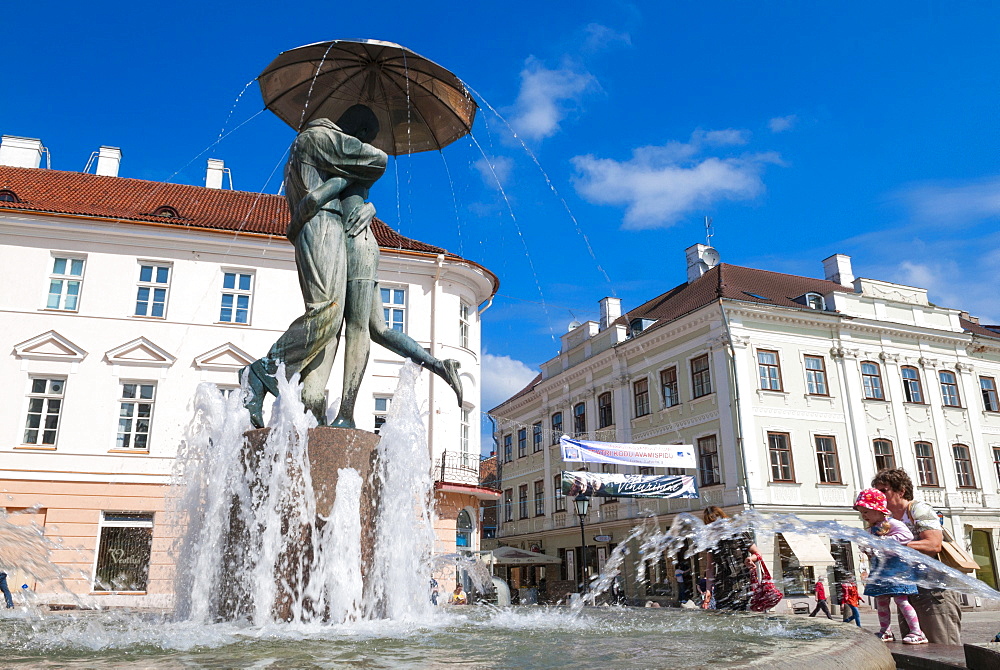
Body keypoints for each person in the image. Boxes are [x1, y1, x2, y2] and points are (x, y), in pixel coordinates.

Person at [241, 105, 463, 429]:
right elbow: (365, 169)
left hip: (355, 241)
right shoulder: (325, 144)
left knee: (353, 327)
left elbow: (354, 188)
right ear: (357, 135)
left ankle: (344, 413)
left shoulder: (321, 155)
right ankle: (303, 399)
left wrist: (366, 205)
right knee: (337, 323)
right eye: (364, 139)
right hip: (333, 231)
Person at [872, 468, 962, 645]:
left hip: (935, 591)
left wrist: (893, 545)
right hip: (907, 589)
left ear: (901, 490)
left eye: (884, 490)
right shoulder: (886, 520)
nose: (879, 496)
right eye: (877, 492)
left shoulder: (918, 509)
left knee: (942, 647)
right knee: (915, 648)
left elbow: (933, 544)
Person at [855, 488, 928, 645]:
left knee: (901, 600)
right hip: (881, 570)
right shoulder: (871, 529)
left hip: (897, 569)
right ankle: (885, 631)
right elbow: (870, 548)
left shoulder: (893, 523)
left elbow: (907, 536)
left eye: (866, 511)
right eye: (862, 512)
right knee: (881, 601)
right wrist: (866, 547)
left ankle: (917, 632)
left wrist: (885, 541)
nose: (864, 516)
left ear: (878, 510)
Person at [702, 506, 762, 611]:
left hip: (741, 585)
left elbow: (757, 553)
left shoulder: (738, 532)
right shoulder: (711, 540)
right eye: (710, 524)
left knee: (740, 615)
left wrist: (751, 559)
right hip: (722, 588)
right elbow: (710, 568)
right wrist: (708, 590)